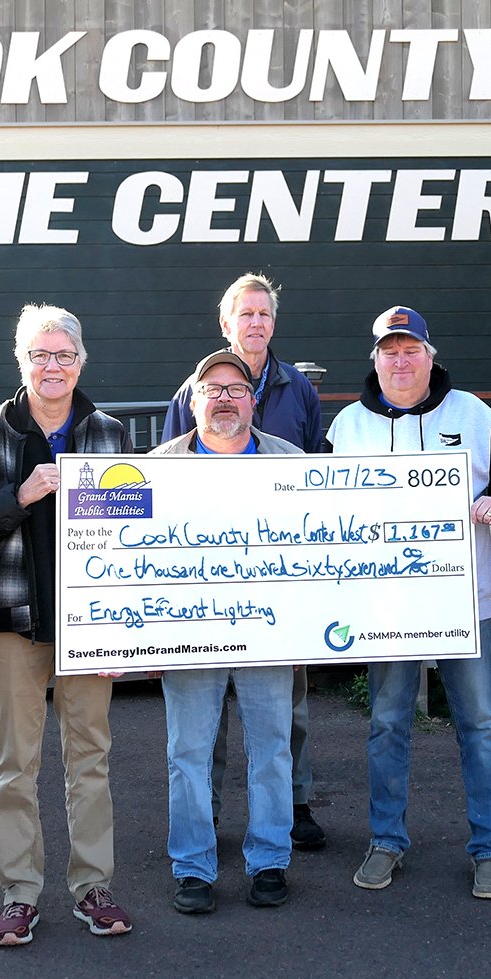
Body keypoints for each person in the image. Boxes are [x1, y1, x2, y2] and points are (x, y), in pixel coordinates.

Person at [327, 306, 491, 900]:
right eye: (389, 351)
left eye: (410, 349)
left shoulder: (472, 413)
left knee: (478, 723)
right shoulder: (346, 425)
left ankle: (490, 849)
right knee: (387, 723)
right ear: (375, 360)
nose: (400, 360)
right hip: (385, 610)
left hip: (461, 603)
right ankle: (386, 840)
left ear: (430, 354)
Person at [0, 304, 134, 945]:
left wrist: (126, 631)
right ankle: (19, 893)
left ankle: (92, 887)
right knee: (15, 765)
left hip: (90, 628)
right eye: (39, 355)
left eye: (64, 355)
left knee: (91, 761)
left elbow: (140, 542)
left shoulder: (109, 435)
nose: (52, 367)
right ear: (20, 361)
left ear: (82, 360)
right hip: (11, 622)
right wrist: (17, 497)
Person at [161, 273, 327, 850]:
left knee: (278, 735)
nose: (256, 323)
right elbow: (143, 529)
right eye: (245, 314)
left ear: (253, 401)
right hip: (193, 619)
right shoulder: (166, 451)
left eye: (265, 314)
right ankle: (197, 844)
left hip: (273, 613)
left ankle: (277, 841)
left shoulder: (297, 403)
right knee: (193, 744)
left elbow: (320, 506)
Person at [152, 349, 300, 914]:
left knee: (273, 750)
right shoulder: (157, 466)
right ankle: (192, 867)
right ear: (193, 402)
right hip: (190, 636)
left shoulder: (290, 460)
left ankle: (269, 860)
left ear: (253, 400)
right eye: (211, 388)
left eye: (236, 388)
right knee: (187, 751)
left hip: (270, 632)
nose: (224, 398)